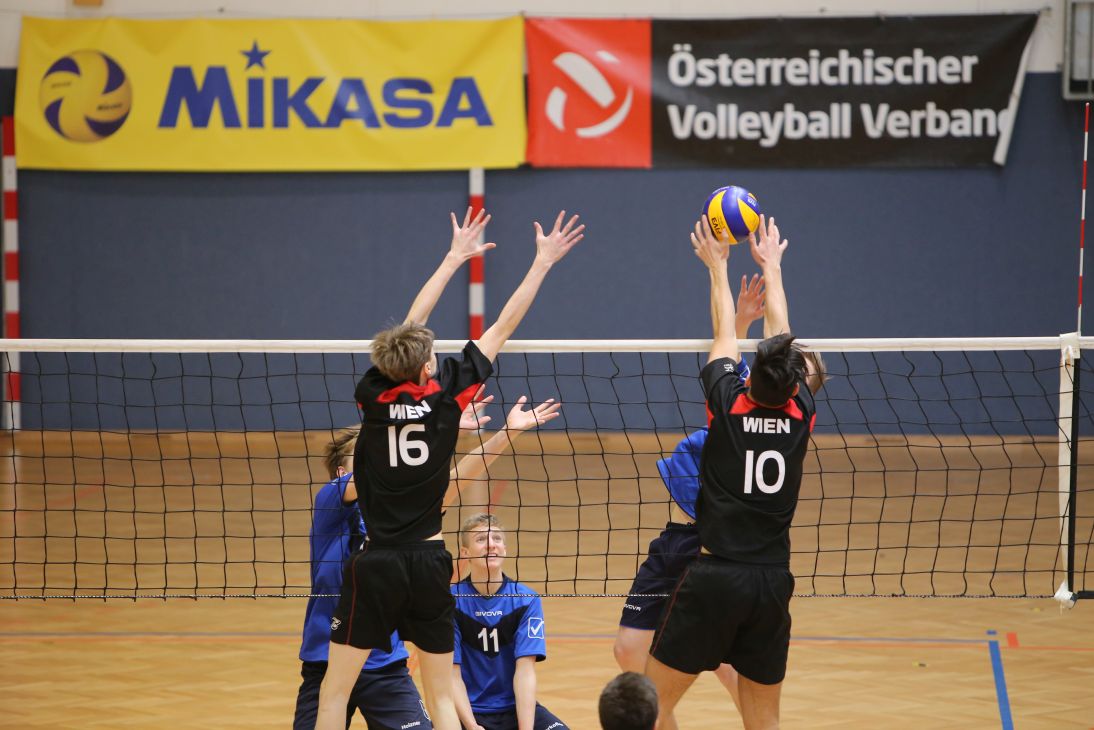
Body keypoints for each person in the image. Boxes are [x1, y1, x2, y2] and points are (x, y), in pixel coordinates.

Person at [315, 208, 584, 730]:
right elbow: (502, 326)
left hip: (377, 562)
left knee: (334, 692)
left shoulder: (372, 394)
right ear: (426, 367)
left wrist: (452, 257)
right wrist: (542, 263)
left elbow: (408, 329)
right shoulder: (446, 401)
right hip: (429, 563)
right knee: (440, 696)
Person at [645, 214, 823, 730]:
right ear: (795, 386)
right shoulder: (801, 413)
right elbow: (783, 337)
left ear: (750, 379)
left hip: (715, 578)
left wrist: (717, 267)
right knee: (764, 721)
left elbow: (725, 334)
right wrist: (773, 266)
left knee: (649, 706)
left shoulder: (728, 403)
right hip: (772, 583)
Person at [295, 393, 556, 729]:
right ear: (343, 472)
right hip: (326, 659)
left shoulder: (406, 511)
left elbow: (458, 478)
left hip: (384, 665)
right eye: (368, 455)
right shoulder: (331, 500)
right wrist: (436, 428)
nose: (381, 459)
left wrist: (508, 433)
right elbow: (388, 467)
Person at [613, 275, 766, 714]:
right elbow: (727, 351)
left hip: (714, 549)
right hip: (677, 542)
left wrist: (719, 269)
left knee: (722, 662)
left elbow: (725, 351)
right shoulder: (732, 399)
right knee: (629, 652)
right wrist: (741, 321)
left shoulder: (752, 422)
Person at [451, 514, 568, 730]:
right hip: (468, 710)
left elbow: (525, 672)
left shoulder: (525, 600)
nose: (491, 544)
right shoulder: (451, 602)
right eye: (480, 539)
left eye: (496, 538)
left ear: (504, 549)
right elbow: (451, 675)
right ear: (465, 553)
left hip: (514, 709)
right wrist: (471, 725)